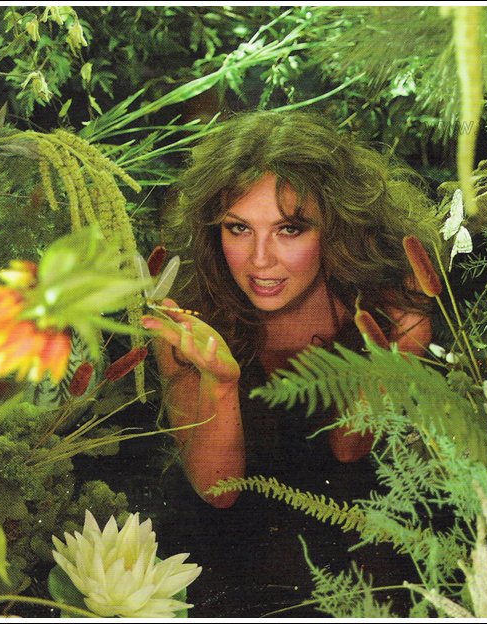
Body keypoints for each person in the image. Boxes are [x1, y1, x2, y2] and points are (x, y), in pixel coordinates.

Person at [148, 109, 442, 509]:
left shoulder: (386, 297)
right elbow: (219, 491)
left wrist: (402, 344)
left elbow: (350, 448)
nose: (260, 260)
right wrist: (220, 383)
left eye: (289, 229)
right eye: (239, 228)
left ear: (336, 226)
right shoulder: (188, 311)